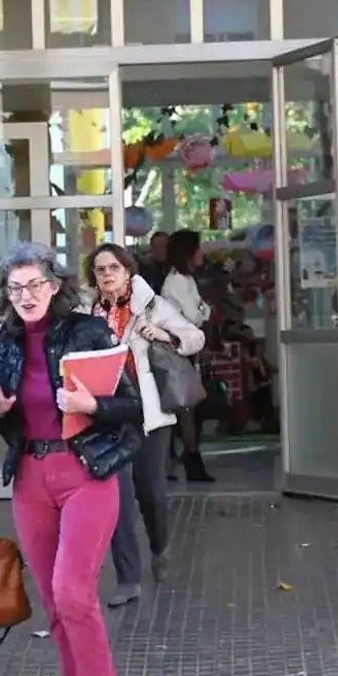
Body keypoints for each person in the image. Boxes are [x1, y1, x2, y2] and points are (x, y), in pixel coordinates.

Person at [0, 242, 143, 676]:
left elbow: (130, 406)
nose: (25, 295)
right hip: (31, 478)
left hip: (85, 472)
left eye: (35, 285)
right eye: (15, 287)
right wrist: (0, 411)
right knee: (55, 604)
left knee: (74, 594)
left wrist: (93, 403)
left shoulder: (87, 331)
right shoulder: (10, 343)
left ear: (55, 286)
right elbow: (15, 420)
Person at [86, 243, 205, 608]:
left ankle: (159, 545)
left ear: (128, 272)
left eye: (113, 268)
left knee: (151, 494)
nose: (107, 275)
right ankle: (128, 578)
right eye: (100, 269)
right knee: (118, 501)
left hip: (148, 414)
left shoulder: (152, 306)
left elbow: (195, 336)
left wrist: (165, 335)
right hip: (108, 415)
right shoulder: (86, 312)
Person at [160, 230, 214, 482]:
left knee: (188, 405)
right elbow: (196, 314)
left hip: (188, 347)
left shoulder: (187, 280)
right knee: (184, 405)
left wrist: (202, 311)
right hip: (177, 350)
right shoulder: (176, 282)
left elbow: (201, 311)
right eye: (198, 248)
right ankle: (189, 457)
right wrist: (203, 311)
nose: (202, 253)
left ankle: (185, 457)